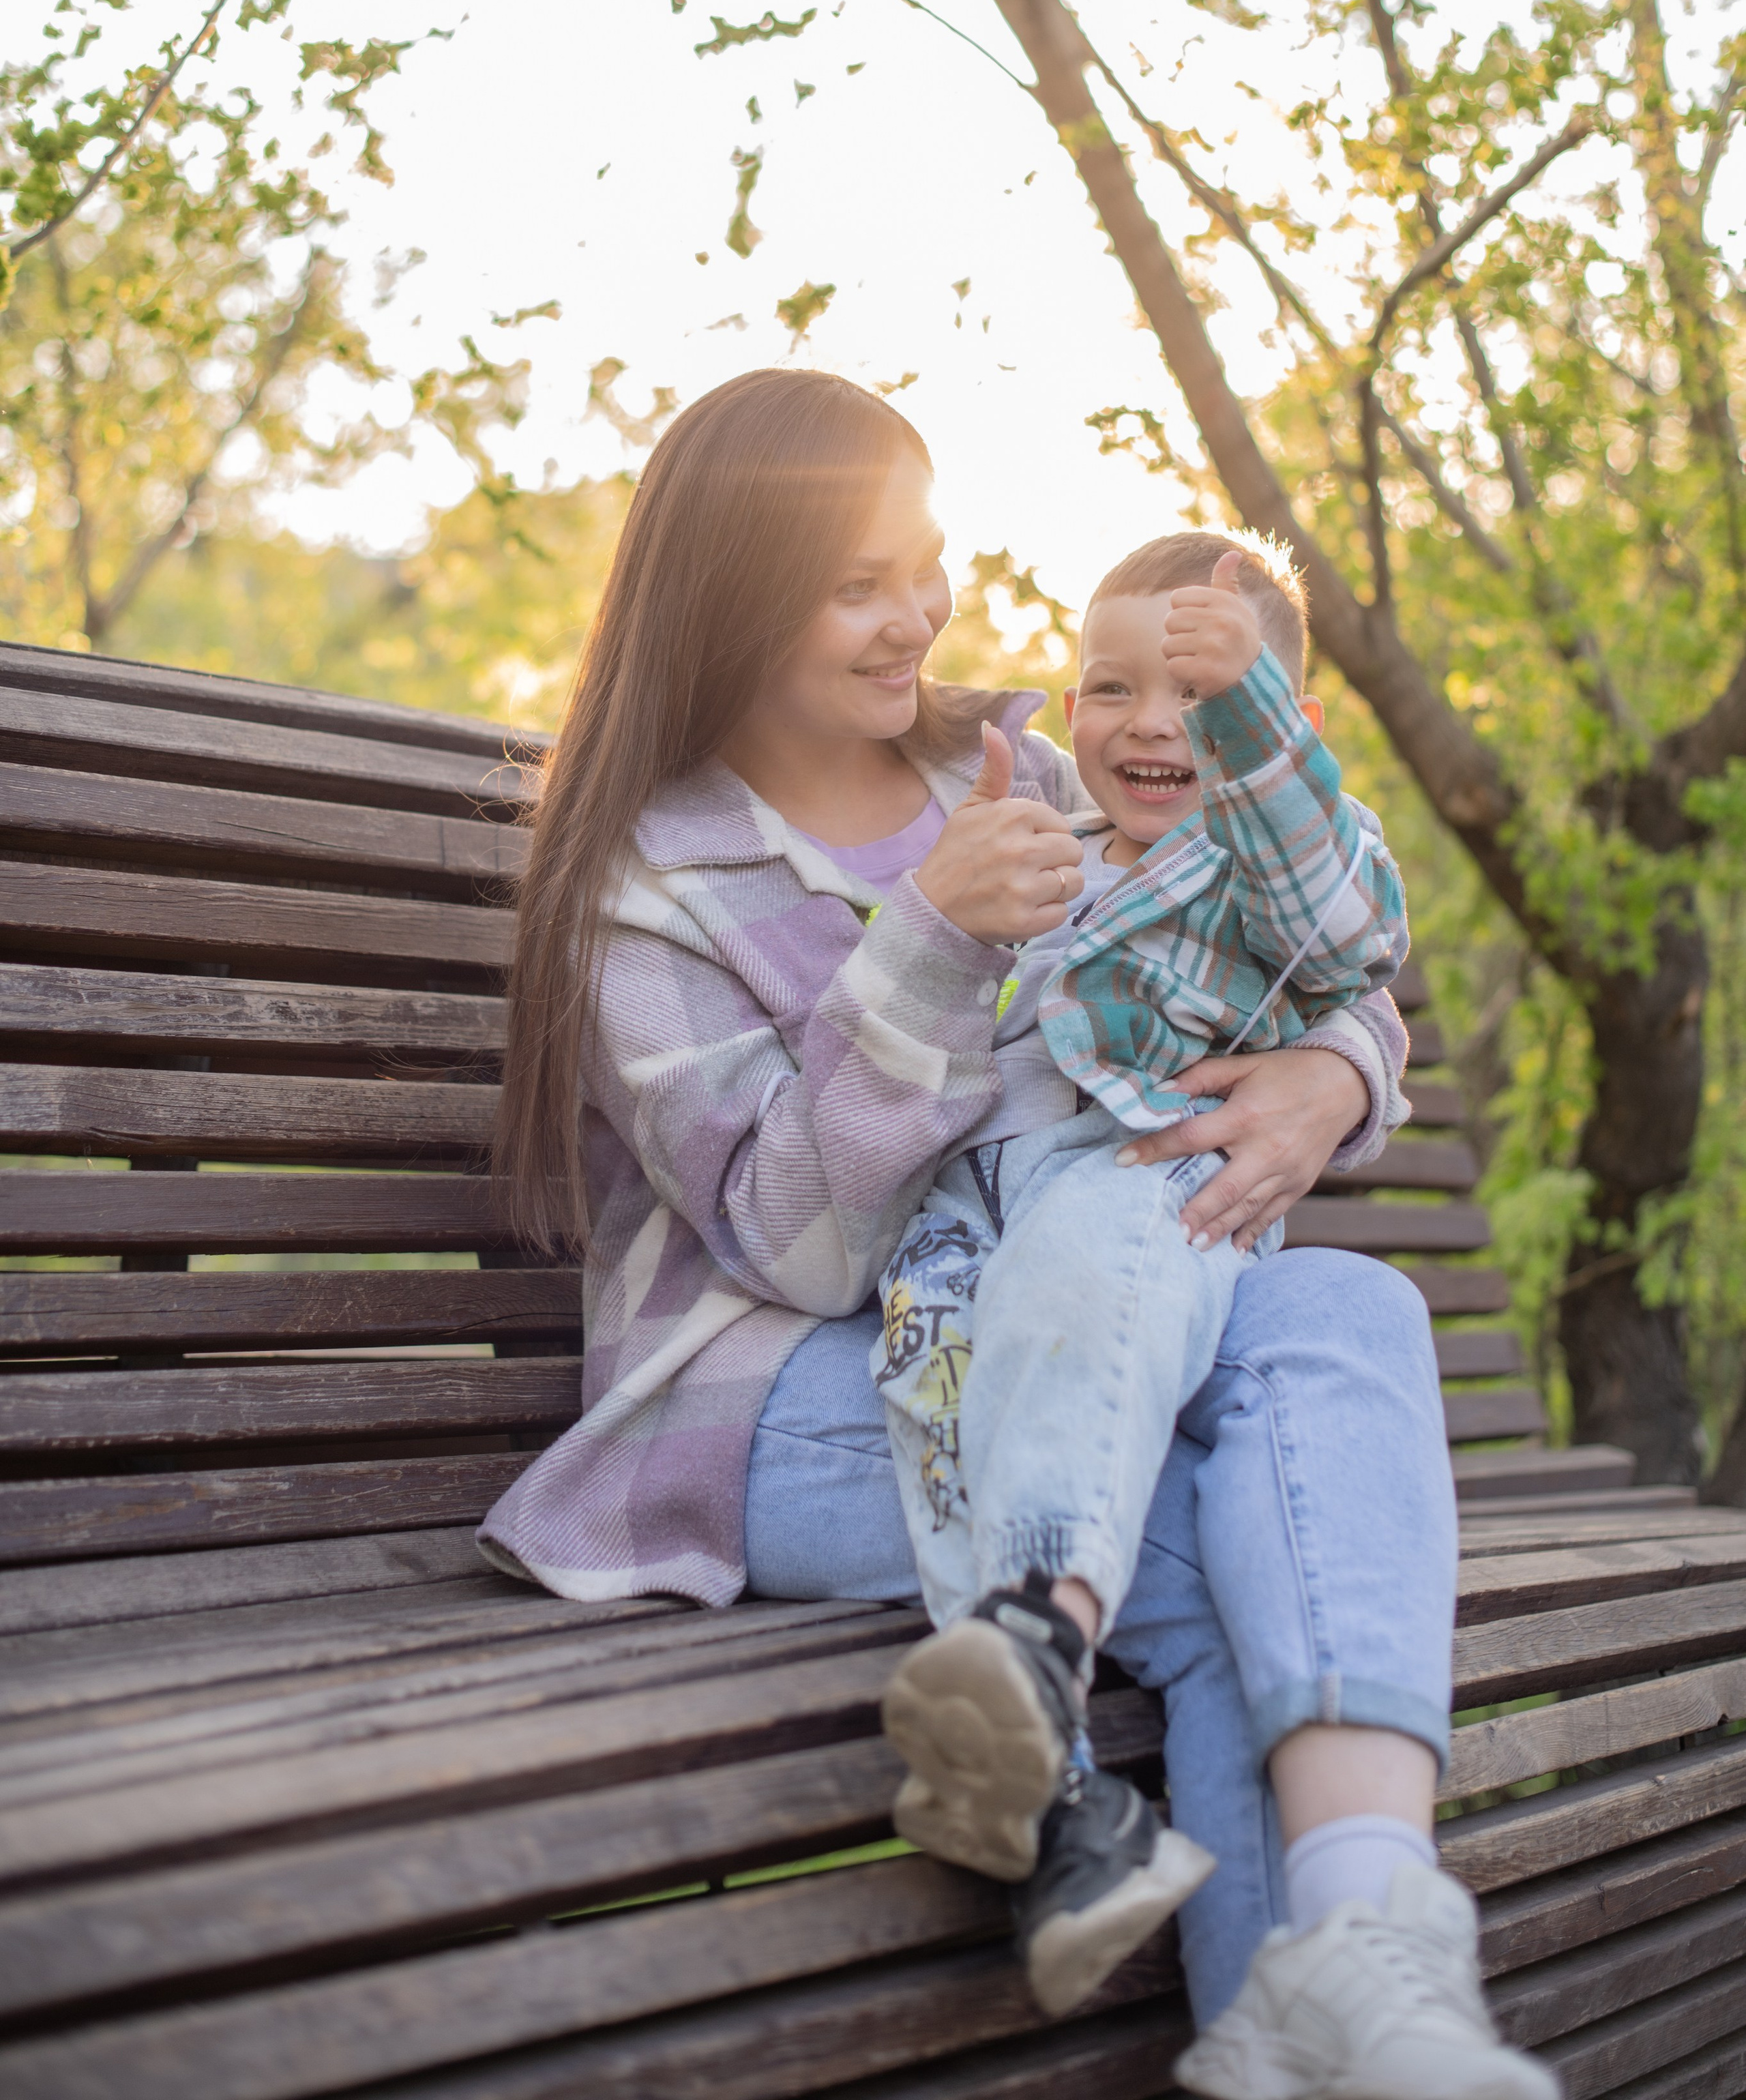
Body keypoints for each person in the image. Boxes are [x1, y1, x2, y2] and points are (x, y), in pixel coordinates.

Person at [479, 367, 1554, 2100]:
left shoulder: (1023, 762)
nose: (917, 615)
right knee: (1235, 1550)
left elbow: (1278, 941)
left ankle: (1363, 1960)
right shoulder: (642, 885)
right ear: (735, 592)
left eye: (926, 563)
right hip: (767, 1395)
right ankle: (1325, 2016)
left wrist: (1335, 1079)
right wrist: (922, 938)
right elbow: (796, 1249)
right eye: (858, 584)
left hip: (1052, 1313)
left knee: (1350, 1310)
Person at [871, 531, 1410, 2013]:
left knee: (1087, 1253)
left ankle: (1046, 1624)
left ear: (1281, 722)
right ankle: (1056, 1805)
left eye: (1202, 694)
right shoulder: (1057, 851)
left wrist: (1258, 731)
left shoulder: (1273, 854)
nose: (1153, 721)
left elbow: (1349, 933)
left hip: (1153, 1187)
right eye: (1112, 688)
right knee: (936, 1412)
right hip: (977, 1224)